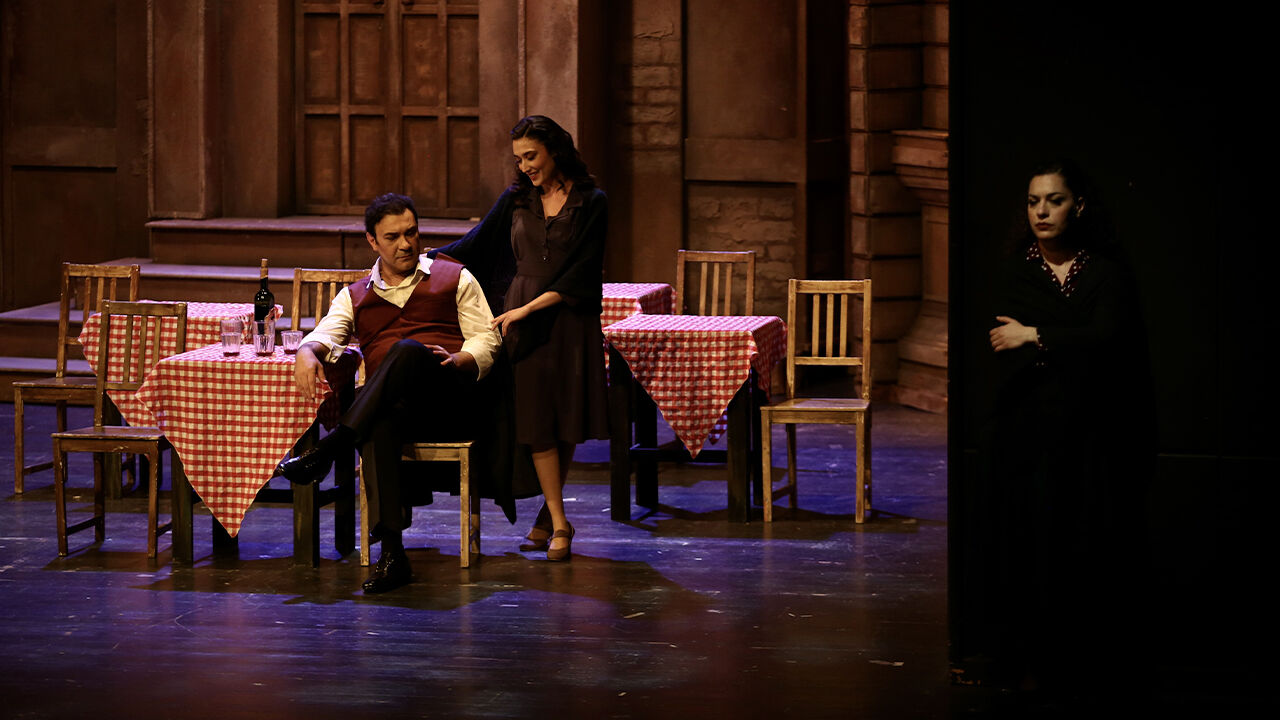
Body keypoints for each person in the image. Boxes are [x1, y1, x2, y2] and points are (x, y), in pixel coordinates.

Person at [276, 192, 504, 593]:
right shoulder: (355, 294)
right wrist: (306, 352)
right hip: (394, 409)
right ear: (372, 241)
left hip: (447, 401)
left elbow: (488, 339)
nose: (406, 244)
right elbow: (325, 335)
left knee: (407, 350)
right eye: (393, 237)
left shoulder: (456, 277)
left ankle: (333, 447)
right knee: (379, 420)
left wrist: (461, 359)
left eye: (411, 233)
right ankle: (394, 554)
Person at [985, 160, 1153, 702]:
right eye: (1033, 201)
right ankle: (1030, 665)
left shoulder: (1104, 273)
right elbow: (1006, 347)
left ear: (1077, 206)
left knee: (1086, 547)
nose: (1041, 211)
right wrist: (1066, 342)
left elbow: (1107, 339)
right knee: (1030, 547)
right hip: (1028, 434)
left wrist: (1036, 335)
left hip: (1090, 433)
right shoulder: (1015, 273)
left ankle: (1085, 668)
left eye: (1054, 200)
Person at [432, 115, 608, 562]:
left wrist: (529, 307)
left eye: (531, 156)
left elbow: (584, 270)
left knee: (565, 417)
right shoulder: (516, 200)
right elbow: (473, 245)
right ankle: (561, 521)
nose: (525, 166)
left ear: (555, 150)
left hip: (568, 317)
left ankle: (549, 516)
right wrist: (421, 261)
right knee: (536, 420)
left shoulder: (591, 201)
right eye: (519, 159)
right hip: (520, 322)